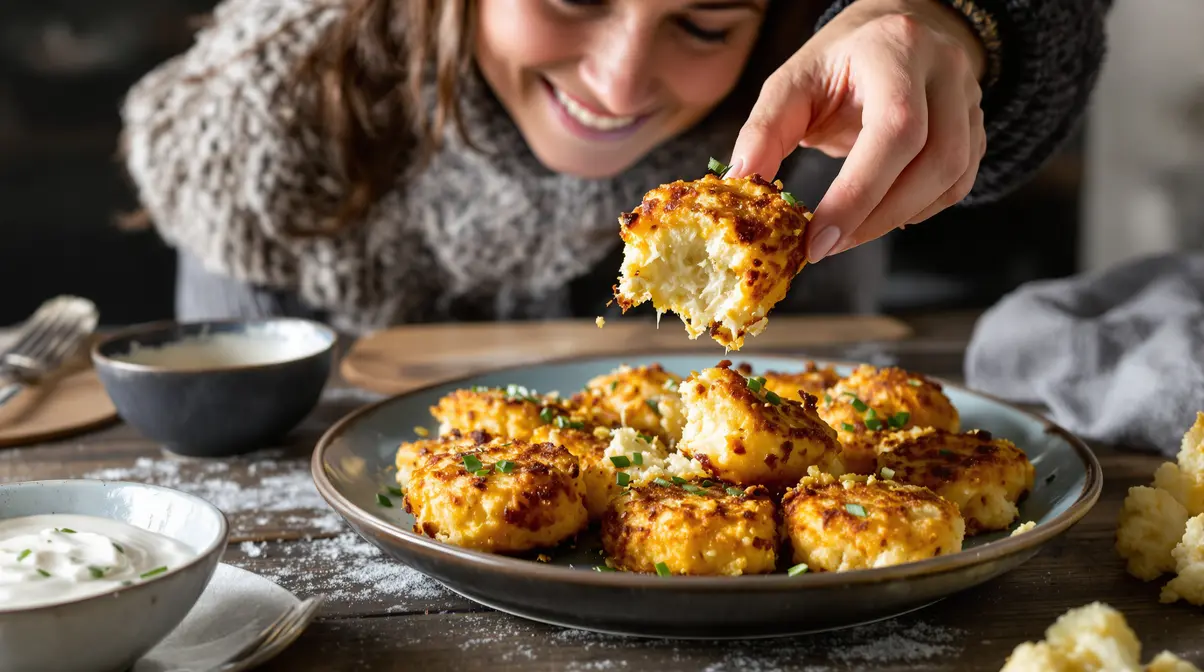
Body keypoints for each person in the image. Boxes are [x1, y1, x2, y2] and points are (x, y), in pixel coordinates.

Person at [119, 0, 1110, 335]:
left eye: (702, 21)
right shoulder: (275, 108)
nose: (620, 79)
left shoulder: (809, 122)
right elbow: (229, 408)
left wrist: (956, 17)